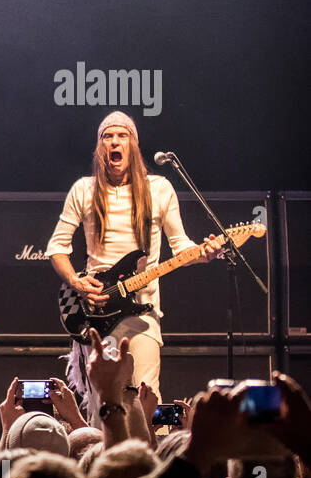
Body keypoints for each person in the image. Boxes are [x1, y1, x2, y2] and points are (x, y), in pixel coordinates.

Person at [46, 112, 223, 403]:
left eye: (122, 135)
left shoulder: (159, 188)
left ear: (134, 145)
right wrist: (77, 283)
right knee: (102, 405)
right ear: (100, 147)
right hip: (97, 309)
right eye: (107, 136)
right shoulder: (84, 189)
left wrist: (205, 255)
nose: (114, 142)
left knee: (145, 397)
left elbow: (180, 246)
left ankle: (147, 449)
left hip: (142, 310)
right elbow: (57, 247)